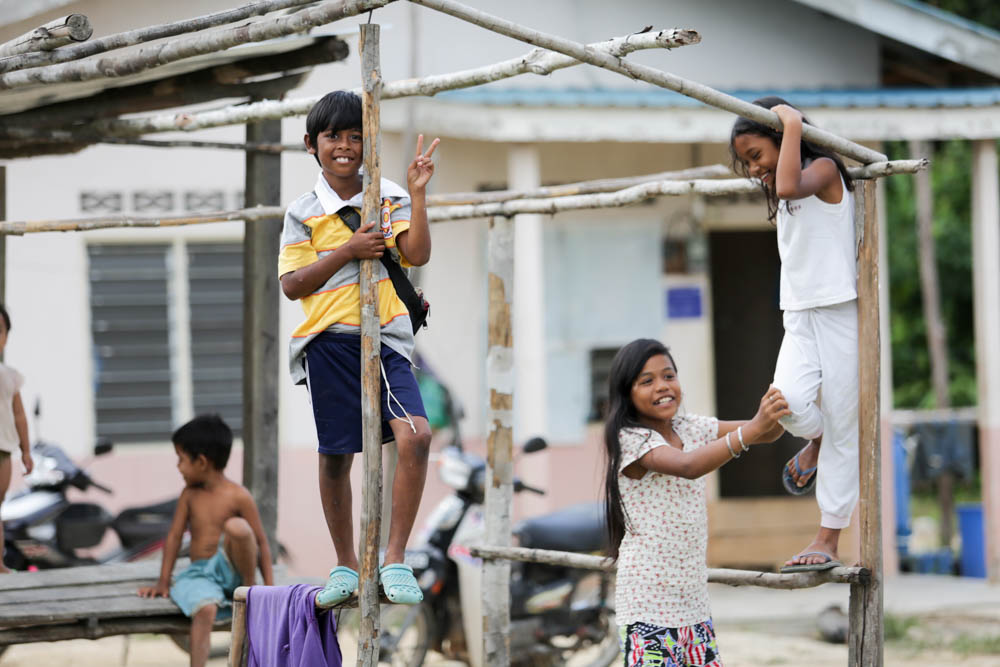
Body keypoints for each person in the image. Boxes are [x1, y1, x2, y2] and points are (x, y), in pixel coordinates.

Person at [278, 90, 438, 606]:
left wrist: (416, 194)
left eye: (356, 137)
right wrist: (347, 250)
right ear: (311, 145)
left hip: (385, 339)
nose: (345, 146)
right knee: (334, 458)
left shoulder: (387, 196)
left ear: (369, 145)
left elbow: (414, 254)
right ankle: (346, 564)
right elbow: (292, 284)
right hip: (329, 344)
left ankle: (395, 558)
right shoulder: (302, 213)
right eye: (333, 137)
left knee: (415, 437)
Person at [730, 96, 859, 573]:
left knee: (847, 426)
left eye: (757, 155)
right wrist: (782, 135)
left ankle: (828, 535)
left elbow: (787, 184)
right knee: (786, 405)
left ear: (785, 141)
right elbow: (782, 186)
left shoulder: (822, 170)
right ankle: (817, 438)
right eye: (747, 162)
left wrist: (790, 122)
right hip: (798, 315)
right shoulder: (787, 190)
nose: (754, 169)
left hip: (841, 312)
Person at [604, 338, 789, 667]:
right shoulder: (631, 438)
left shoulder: (692, 427)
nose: (662, 386)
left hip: (693, 606)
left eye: (668, 376)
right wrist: (754, 428)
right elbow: (688, 466)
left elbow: (765, 432)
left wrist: (781, 404)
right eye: (647, 381)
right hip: (648, 606)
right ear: (627, 393)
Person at [138, 415, 274, 667]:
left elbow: (261, 543)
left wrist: (269, 586)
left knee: (239, 527)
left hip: (233, 572)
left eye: (180, 459)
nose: (178, 467)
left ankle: (250, 590)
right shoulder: (189, 495)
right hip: (200, 576)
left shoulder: (239, 496)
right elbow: (175, 537)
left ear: (201, 462)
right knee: (206, 610)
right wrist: (163, 581)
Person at [0, 305, 32, 574]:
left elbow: (20, 416)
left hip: (4, 451)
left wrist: (26, 451)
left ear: (6, 337)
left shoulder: (9, 377)